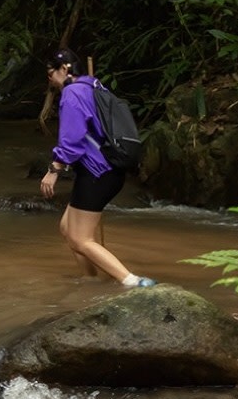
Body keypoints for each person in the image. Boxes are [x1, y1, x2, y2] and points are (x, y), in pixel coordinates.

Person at [37, 48, 156, 287]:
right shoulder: (93, 87)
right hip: (108, 170)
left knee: (80, 239)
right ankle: (90, 280)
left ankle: (132, 281)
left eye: (51, 73)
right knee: (66, 227)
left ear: (64, 69)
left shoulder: (72, 93)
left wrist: (53, 170)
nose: (49, 79)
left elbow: (72, 141)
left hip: (96, 172)